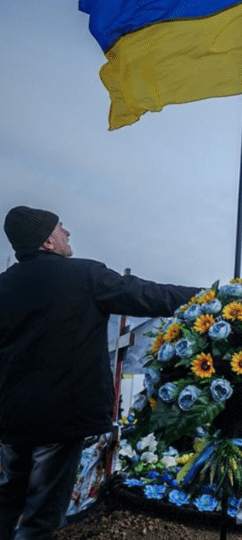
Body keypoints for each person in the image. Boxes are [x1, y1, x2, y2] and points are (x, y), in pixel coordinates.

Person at [0, 206, 200, 539]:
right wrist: (206, 298)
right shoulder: (85, 276)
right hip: (61, 418)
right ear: (47, 242)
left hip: (12, 419)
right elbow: (149, 295)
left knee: (7, 500)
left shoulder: (4, 286)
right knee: (42, 515)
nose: (67, 233)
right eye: (61, 229)